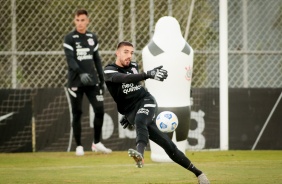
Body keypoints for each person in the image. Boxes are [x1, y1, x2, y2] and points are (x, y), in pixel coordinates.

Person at [104, 41, 210, 184]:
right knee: (169, 145)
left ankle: (139, 154)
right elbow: (124, 79)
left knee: (140, 120)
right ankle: (199, 174)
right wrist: (128, 114)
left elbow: (135, 87)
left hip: (146, 101)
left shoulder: (133, 66)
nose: (129, 55)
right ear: (117, 53)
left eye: (132, 53)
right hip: (132, 110)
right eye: (126, 52)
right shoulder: (109, 70)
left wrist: (146, 76)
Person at [63, 9, 112, 156]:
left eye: (83, 20)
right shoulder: (69, 38)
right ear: (74, 21)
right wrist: (80, 72)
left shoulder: (92, 38)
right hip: (76, 81)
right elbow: (70, 59)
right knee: (77, 113)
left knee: (99, 110)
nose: (80, 23)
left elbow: (96, 59)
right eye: (77, 20)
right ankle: (79, 146)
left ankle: (96, 143)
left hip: (92, 81)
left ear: (87, 21)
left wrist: (102, 80)